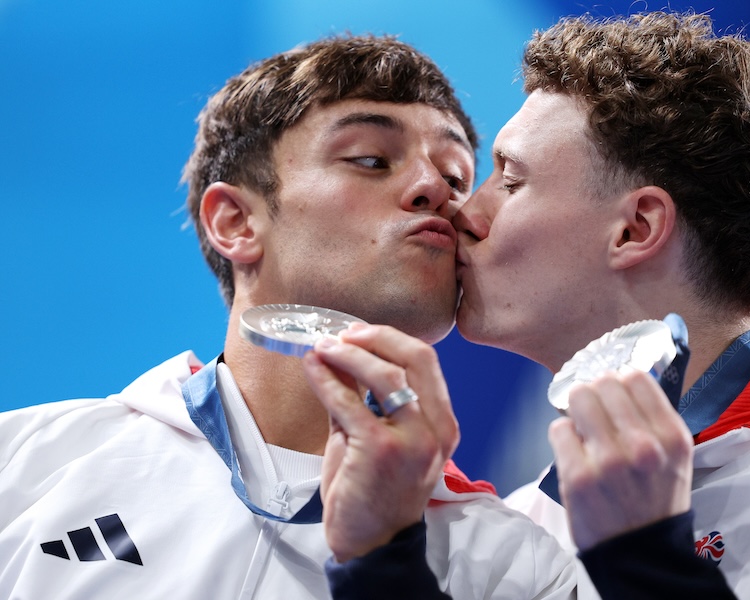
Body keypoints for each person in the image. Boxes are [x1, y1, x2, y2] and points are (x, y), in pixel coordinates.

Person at [308, 10, 750, 600]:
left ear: (636, 229)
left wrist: (646, 567)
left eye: (511, 180)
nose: (464, 213)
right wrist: (381, 568)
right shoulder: (532, 524)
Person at [0, 34, 577, 598]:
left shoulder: (519, 568)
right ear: (235, 223)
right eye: (372, 160)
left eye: (456, 178)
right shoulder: (25, 463)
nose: (435, 189)